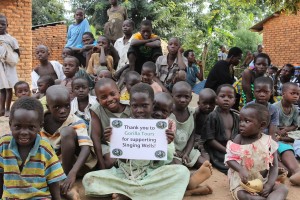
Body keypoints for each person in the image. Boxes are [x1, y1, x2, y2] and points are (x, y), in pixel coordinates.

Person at [82, 83, 191, 199]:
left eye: (144, 105)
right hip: (126, 174)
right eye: (135, 106)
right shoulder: (124, 126)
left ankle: (128, 194)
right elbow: (122, 160)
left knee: (182, 172)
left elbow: (164, 161)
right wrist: (114, 141)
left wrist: (166, 143)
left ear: (152, 105)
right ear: (130, 105)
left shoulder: (160, 127)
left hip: (151, 174)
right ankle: (146, 193)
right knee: (89, 179)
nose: (139, 110)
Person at [0, 97, 66, 199]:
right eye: (18, 126)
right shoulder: (3, 144)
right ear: (10, 125)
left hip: (38, 197)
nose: (24, 132)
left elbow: (53, 181)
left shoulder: (45, 148)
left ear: (40, 126)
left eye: (31, 127)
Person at [152, 92, 213, 196]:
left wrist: (168, 142)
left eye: (163, 111)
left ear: (169, 112)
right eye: (155, 108)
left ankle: (189, 181)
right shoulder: (140, 124)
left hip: (162, 162)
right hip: (144, 166)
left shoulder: (169, 125)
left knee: (177, 169)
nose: (158, 113)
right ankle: (190, 188)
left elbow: (170, 153)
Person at [40, 85, 96, 198]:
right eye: (57, 107)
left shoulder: (76, 121)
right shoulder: (39, 121)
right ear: (48, 107)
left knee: (67, 132)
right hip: (52, 164)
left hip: (74, 165)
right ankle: (63, 187)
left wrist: (72, 173)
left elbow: (86, 148)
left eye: (67, 106)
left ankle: (64, 181)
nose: (63, 111)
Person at [225, 103, 288, 200]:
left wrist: (269, 185)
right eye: (240, 120)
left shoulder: (269, 142)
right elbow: (230, 159)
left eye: (247, 121)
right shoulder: (239, 139)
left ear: (262, 125)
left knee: (283, 189)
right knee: (247, 196)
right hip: (243, 183)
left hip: (263, 181)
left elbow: (274, 166)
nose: (241, 124)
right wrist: (240, 169)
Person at [90, 78, 131, 169]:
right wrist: (102, 166)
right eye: (104, 97)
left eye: (112, 94)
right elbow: (96, 138)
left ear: (119, 92)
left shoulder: (130, 107)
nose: (110, 99)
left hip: (129, 143)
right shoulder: (96, 110)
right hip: (106, 144)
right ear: (98, 100)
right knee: (111, 161)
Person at [202, 84, 239, 174]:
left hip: (231, 149)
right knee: (229, 165)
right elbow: (210, 140)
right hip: (217, 150)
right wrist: (226, 150)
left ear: (234, 101)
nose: (226, 99)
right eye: (222, 96)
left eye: (230, 97)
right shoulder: (213, 116)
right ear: (216, 99)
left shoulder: (235, 117)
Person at [169, 81, 208, 168]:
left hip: (187, 149)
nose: (183, 100)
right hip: (171, 150)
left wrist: (186, 153)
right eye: (179, 96)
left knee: (204, 163)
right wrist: (174, 151)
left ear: (191, 98)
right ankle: (190, 177)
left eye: (186, 97)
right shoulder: (168, 112)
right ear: (172, 96)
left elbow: (192, 136)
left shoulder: (191, 113)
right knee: (178, 166)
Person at [0, 14, 20, 117]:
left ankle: (8, 108)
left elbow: (17, 52)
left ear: (7, 25)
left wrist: (12, 59)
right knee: (1, 89)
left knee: (8, 88)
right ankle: (1, 109)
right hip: (0, 67)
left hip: (9, 66)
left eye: (2, 24)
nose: (0, 26)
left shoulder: (11, 39)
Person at [194, 88, 216, 161]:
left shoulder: (214, 114)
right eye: (205, 103)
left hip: (208, 139)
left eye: (211, 104)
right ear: (198, 103)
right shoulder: (196, 113)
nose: (208, 106)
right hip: (196, 138)